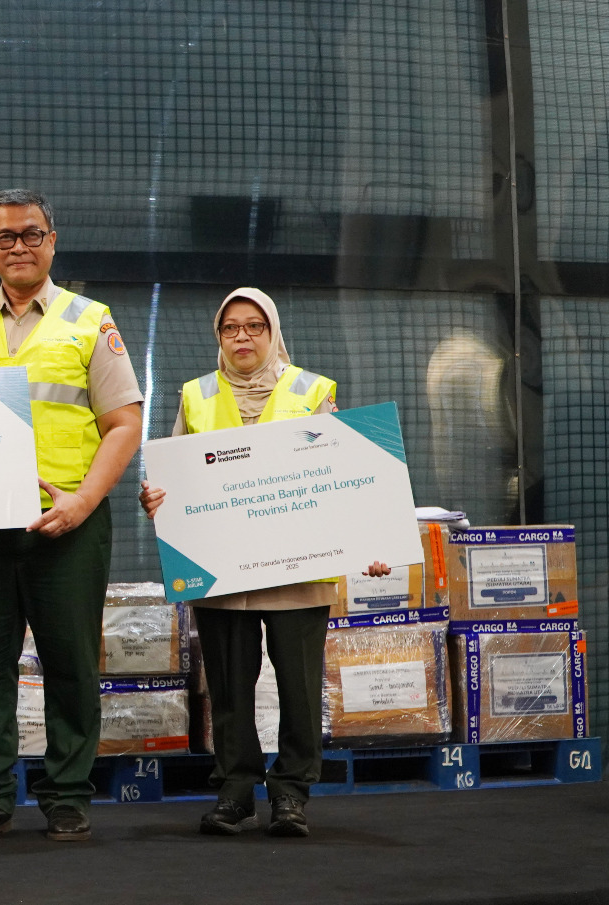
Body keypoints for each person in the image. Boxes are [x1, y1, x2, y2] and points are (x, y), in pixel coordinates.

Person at [0, 189, 144, 842]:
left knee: (72, 664)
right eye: (4, 238)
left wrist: (82, 502)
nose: (18, 246)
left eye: (31, 233)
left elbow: (124, 424)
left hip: (68, 529)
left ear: (53, 240)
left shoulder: (90, 320)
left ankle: (67, 797)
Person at [139, 287, 388, 838]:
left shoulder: (312, 391)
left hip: (297, 572)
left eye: (255, 326)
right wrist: (156, 498)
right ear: (218, 336)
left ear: (273, 333)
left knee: (299, 687)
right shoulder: (195, 395)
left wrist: (370, 541)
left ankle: (292, 793)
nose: (243, 337)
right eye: (231, 328)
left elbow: (341, 477)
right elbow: (174, 477)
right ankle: (235, 791)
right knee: (228, 689)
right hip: (222, 572)